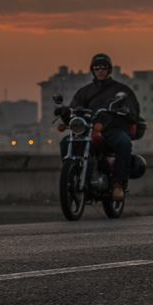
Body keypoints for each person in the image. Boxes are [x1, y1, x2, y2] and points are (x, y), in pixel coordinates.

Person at [60, 54, 140, 201]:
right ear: (92, 70)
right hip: (89, 131)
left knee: (124, 142)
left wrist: (125, 110)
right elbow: (75, 110)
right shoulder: (84, 92)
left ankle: (118, 183)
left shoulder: (122, 90)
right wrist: (65, 112)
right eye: (96, 67)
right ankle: (73, 175)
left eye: (103, 67)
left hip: (112, 131)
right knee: (66, 142)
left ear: (109, 70)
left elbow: (132, 108)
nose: (100, 70)